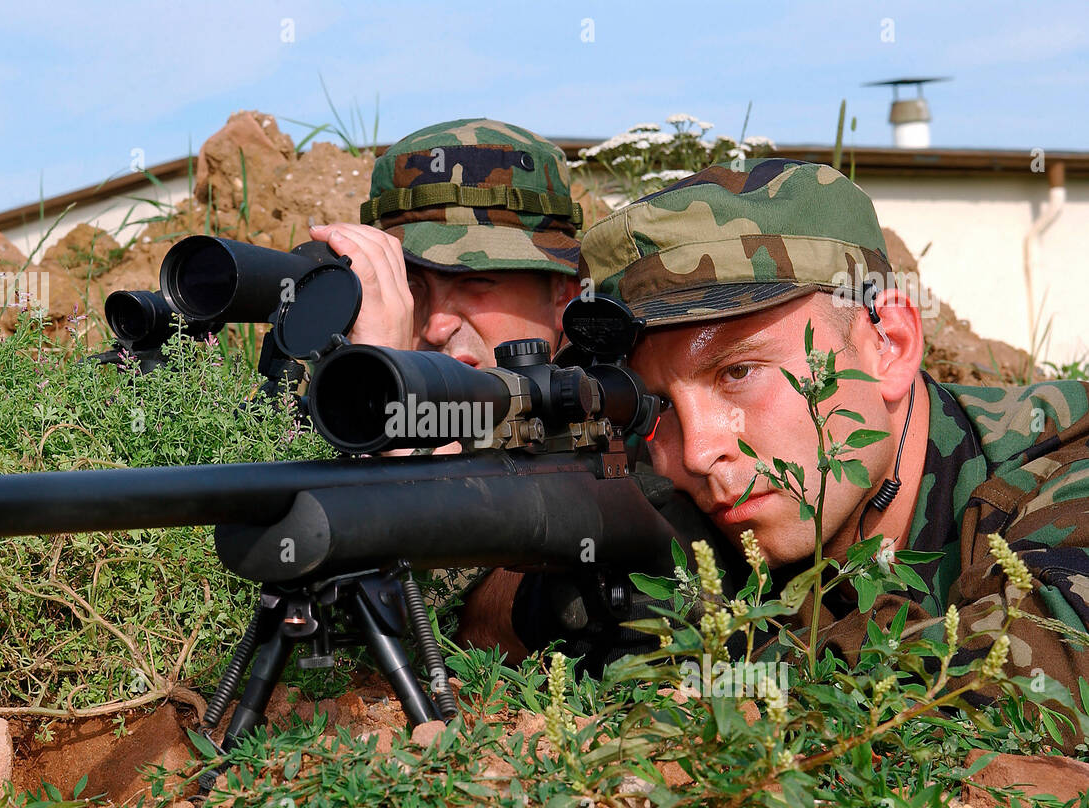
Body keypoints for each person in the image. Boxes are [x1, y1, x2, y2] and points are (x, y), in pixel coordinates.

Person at [469, 158, 1089, 706]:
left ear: (890, 346)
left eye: (738, 371)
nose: (699, 448)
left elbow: (1018, 687)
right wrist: (546, 602)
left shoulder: (1060, 462)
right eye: (654, 400)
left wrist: (711, 658)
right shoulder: (665, 455)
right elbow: (472, 599)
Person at [308, 118, 581, 368]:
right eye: (408, 285)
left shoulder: (616, 411)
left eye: (477, 281)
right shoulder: (324, 408)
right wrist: (370, 379)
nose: (436, 328)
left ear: (563, 298)